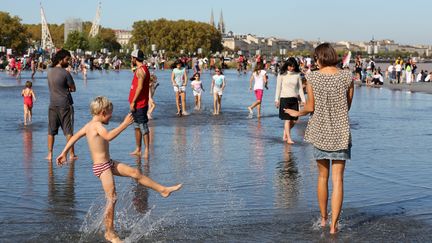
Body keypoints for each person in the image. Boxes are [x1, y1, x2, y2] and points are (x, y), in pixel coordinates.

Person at [56, 96, 182, 243]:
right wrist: (124, 124)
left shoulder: (89, 125)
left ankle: (162, 190)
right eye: (110, 113)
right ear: (103, 112)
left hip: (108, 163)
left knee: (135, 173)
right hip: (102, 167)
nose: (111, 116)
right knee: (112, 198)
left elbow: (74, 137)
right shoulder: (97, 126)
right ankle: (109, 232)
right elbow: (108, 136)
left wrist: (63, 152)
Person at [285, 43, 354, 234]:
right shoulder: (347, 76)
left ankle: (324, 219)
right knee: (338, 180)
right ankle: (334, 226)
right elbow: (347, 105)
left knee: (323, 177)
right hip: (341, 131)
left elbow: (310, 107)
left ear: (320, 58)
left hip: (320, 130)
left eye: (315, 58)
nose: (314, 61)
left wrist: (296, 112)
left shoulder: (312, 76)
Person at [46, 49, 77, 161]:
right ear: (61, 59)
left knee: (51, 131)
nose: (68, 62)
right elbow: (73, 88)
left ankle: (49, 154)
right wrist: (66, 88)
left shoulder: (49, 71)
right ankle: (72, 154)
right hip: (65, 104)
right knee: (68, 131)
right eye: (67, 59)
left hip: (52, 104)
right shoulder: (65, 73)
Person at [275, 57, 305, 144]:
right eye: (289, 66)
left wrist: (303, 100)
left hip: (294, 99)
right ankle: (288, 138)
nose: (291, 68)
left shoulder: (297, 75)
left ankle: (285, 133)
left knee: (295, 119)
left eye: (293, 66)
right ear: (286, 65)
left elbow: (300, 89)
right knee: (287, 119)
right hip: (284, 99)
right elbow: (278, 88)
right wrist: (276, 100)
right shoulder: (281, 74)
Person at [129, 49, 151, 159]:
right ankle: (138, 149)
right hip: (137, 103)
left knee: (143, 126)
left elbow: (140, 87)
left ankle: (146, 150)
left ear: (134, 58)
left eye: (131, 58)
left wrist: (133, 101)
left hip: (140, 103)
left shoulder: (141, 70)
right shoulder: (141, 69)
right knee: (136, 126)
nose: (130, 60)